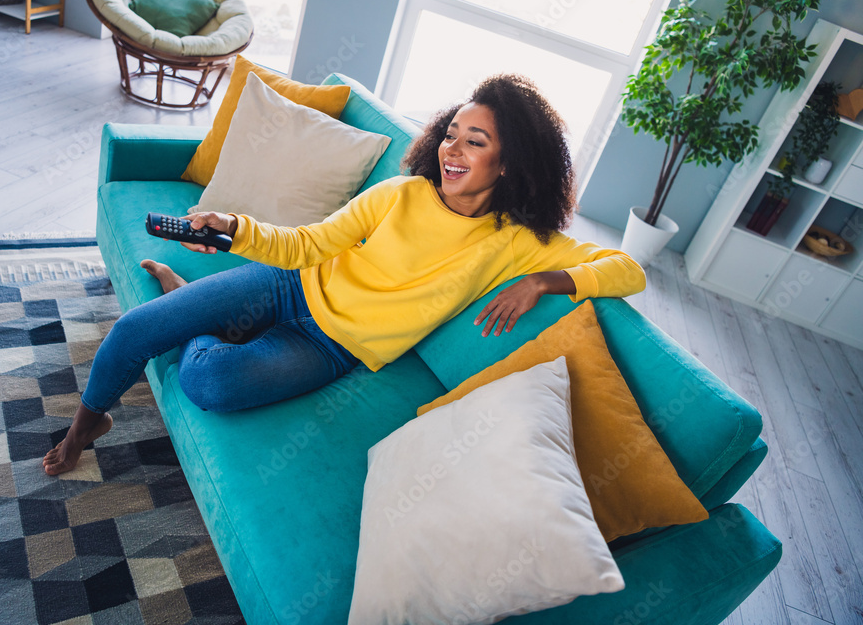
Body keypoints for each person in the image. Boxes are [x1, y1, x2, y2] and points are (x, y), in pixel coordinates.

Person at [42, 73, 645, 475]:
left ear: (510, 163)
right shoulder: (403, 193)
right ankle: (85, 428)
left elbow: (627, 269)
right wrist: (234, 227)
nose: (452, 151)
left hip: (330, 345)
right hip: (288, 284)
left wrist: (545, 281)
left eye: (475, 142)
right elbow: (310, 243)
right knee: (133, 330)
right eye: (451, 135)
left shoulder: (518, 244)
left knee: (210, 385)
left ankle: (199, 313)